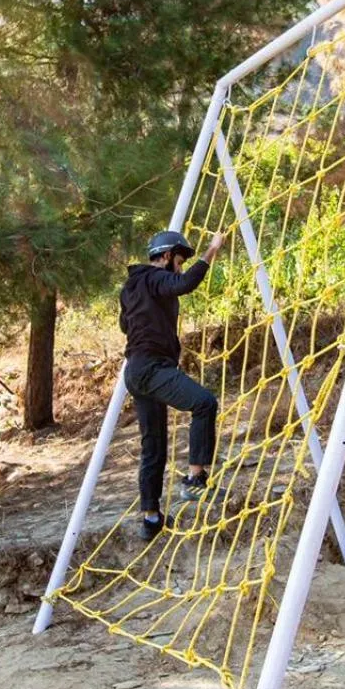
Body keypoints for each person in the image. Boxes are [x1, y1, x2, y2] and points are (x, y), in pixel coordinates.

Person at [120, 228, 225, 540]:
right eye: (178, 261)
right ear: (164, 257)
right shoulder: (154, 277)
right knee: (204, 403)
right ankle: (195, 480)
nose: (179, 267)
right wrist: (212, 250)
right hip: (153, 367)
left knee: (153, 447)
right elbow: (185, 283)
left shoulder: (130, 287)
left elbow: (125, 323)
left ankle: (150, 518)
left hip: (135, 372)